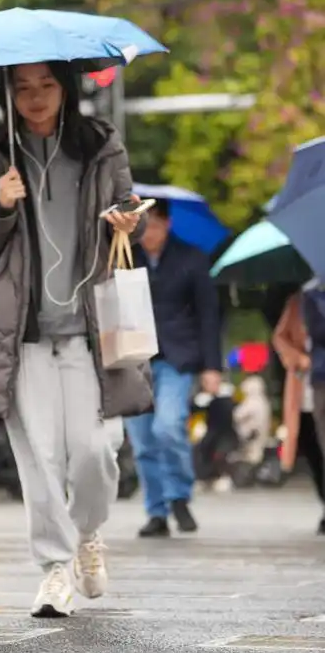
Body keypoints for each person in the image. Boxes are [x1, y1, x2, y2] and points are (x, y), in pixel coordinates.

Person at [0, 61, 150, 618]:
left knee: (94, 452)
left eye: (45, 86)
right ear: (8, 95)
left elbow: (128, 204)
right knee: (38, 459)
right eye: (22, 88)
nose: (35, 98)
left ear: (65, 89)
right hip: (22, 336)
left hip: (92, 334)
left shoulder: (101, 145)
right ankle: (53, 569)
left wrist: (127, 219)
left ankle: (88, 530)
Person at [126, 202, 222, 537]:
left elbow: (209, 315)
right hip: (132, 358)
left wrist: (212, 365)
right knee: (142, 441)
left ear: (166, 223)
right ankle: (156, 511)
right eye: (142, 225)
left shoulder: (192, 258)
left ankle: (179, 495)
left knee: (168, 426)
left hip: (177, 357)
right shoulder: (124, 255)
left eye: (153, 225)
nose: (148, 233)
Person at [277, 284, 325, 532]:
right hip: (303, 383)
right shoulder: (300, 299)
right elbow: (280, 337)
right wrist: (298, 357)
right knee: (314, 449)